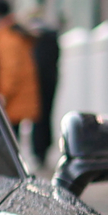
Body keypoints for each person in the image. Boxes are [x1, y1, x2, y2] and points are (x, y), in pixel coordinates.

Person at [0, 0, 39, 150]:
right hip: (12, 100)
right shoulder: (4, 34)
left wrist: (2, 95)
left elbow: (10, 70)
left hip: (10, 101)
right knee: (9, 141)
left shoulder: (7, 38)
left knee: (7, 144)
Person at [27, 10, 62, 165]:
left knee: (38, 118)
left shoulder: (34, 41)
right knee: (45, 117)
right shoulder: (51, 38)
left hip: (37, 83)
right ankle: (43, 150)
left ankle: (39, 151)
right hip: (50, 82)